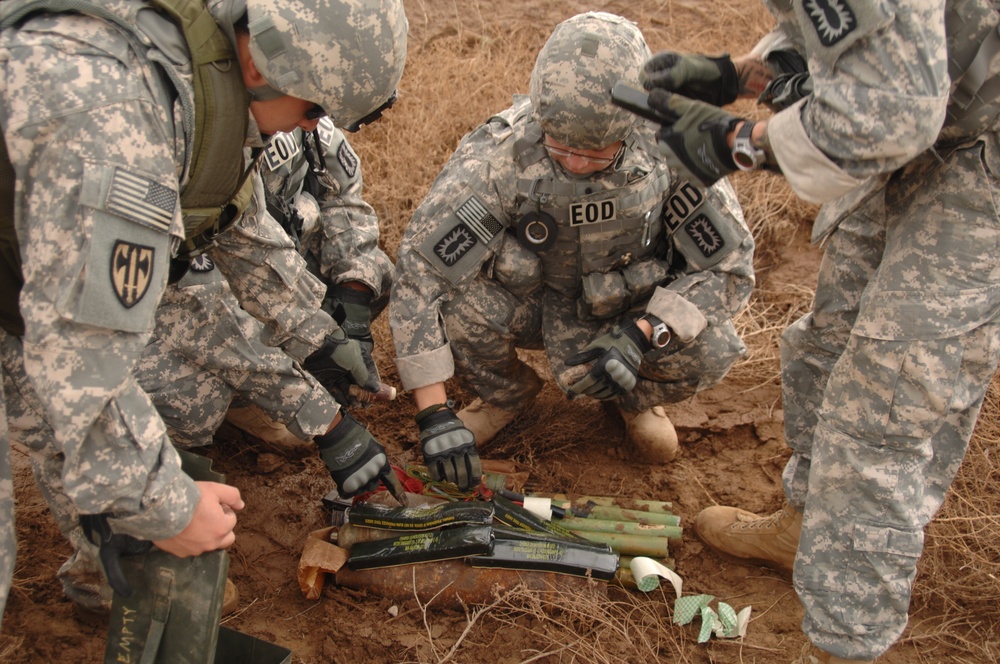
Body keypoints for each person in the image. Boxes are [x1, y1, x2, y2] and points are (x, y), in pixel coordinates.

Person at [0, 0, 407, 628]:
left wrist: (318, 338)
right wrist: (168, 508)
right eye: (313, 110)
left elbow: (233, 222)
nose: (306, 132)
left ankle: (113, 563)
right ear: (259, 56)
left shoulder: (197, 74)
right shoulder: (118, 123)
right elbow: (82, 357)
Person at [637, 2, 1000, 662]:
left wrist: (738, 144)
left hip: (981, 152)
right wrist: (745, 74)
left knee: (884, 407)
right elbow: (862, 34)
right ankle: (803, 526)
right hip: (932, 118)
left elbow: (887, 112)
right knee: (827, 343)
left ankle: (843, 643)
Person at [389, 11, 755, 491]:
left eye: (600, 151)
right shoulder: (500, 157)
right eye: (561, 147)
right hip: (534, 305)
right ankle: (504, 395)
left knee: (708, 344)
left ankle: (633, 399)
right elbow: (420, 276)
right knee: (461, 306)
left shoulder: (677, 148)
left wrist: (643, 335)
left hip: (627, 310)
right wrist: (434, 413)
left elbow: (729, 270)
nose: (579, 163)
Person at [226, 114, 396, 442]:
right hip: (230, 282)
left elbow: (342, 200)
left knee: (375, 271)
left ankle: (310, 363)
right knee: (191, 400)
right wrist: (324, 423)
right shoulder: (222, 146)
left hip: (287, 257)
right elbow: (229, 273)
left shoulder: (306, 116)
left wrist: (353, 305)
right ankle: (245, 398)